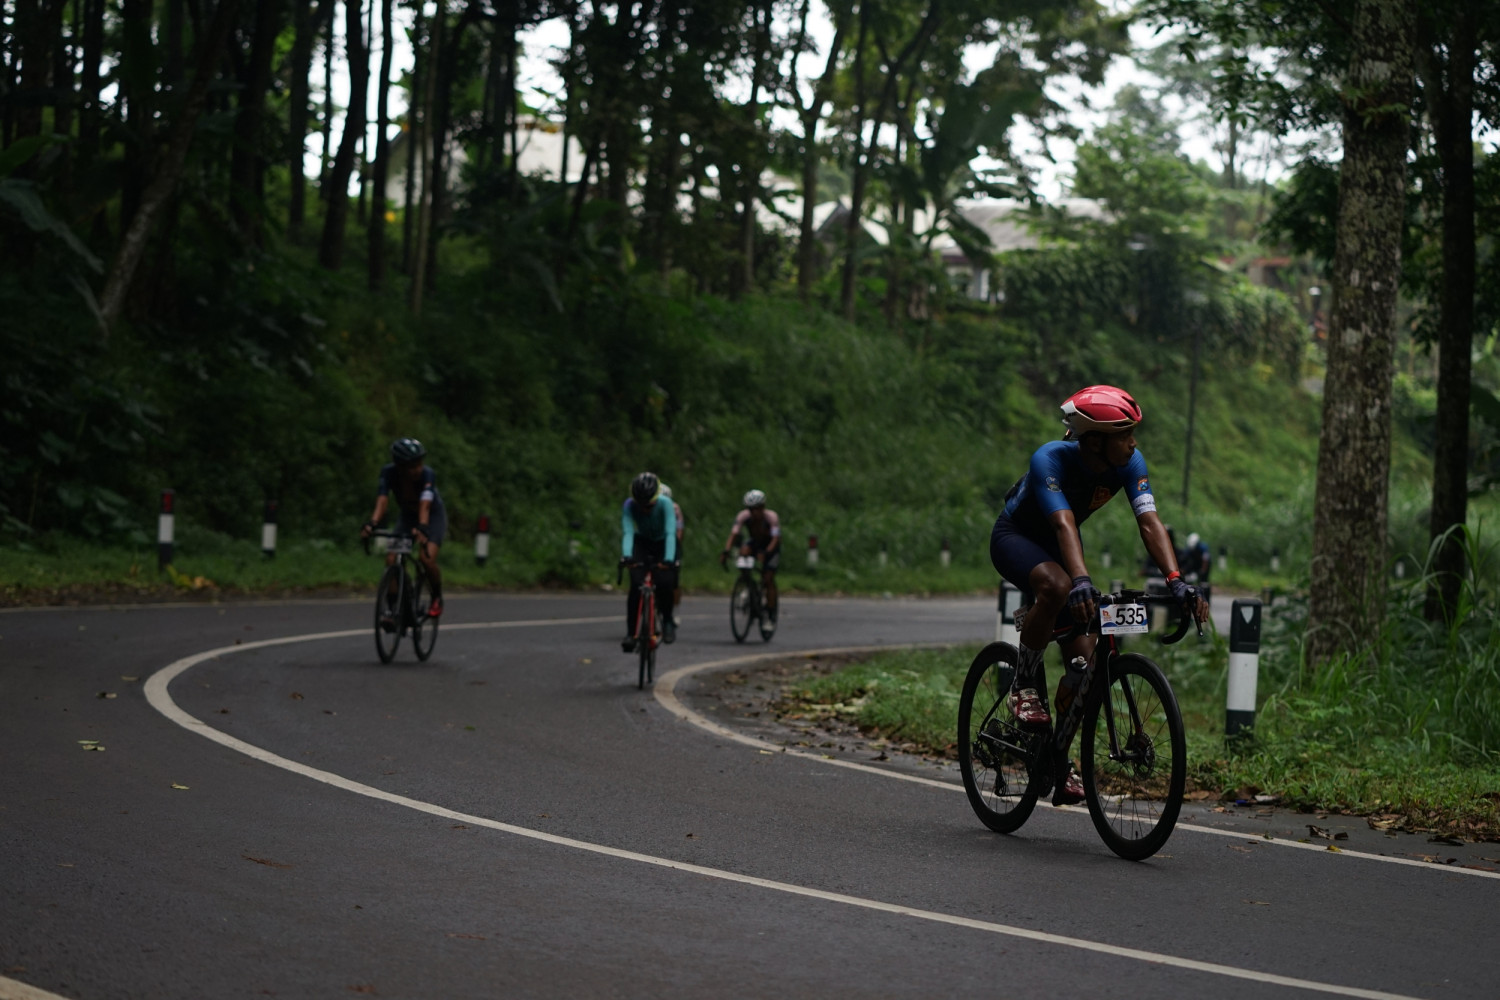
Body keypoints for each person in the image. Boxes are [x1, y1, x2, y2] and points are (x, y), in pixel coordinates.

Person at [989, 385, 1207, 806]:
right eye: (1125, 435)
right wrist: (1081, 579)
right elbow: (1064, 524)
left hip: (1062, 548)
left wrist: (1176, 580)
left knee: (1084, 665)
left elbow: (1149, 522)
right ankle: (1023, 683)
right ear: (1094, 441)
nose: (1133, 443)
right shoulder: (1050, 458)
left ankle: (1057, 759)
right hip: (1017, 538)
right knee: (1059, 586)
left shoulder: (1129, 463)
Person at [361, 437, 446, 619]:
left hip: (432, 516)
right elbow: (382, 500)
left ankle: (437, 597)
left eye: (420, 463)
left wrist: (423, 526)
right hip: (407, 517)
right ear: (399, 466)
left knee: (426, 559)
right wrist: (372, 523)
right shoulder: (388, 473)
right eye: (412, 466)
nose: (418, 469)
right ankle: (393, 610)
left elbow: (425, 503)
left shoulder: (427, 474)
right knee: (391, 559)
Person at [620, 472, 678, 651]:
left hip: (663, 542)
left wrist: (668, 559)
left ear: (656, 499)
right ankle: (631, 634)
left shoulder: (666, 504)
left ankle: (667, 621)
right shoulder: (629, 505)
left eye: (649, 506)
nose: (645, 510)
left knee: (665, 583)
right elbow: (628, 532)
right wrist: (627, 556)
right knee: (636, 585)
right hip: (642, 542)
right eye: (641, 505)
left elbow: (670, 533)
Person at [719, 489, 781, 624]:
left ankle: (770, 613)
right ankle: (747, 584)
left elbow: (775, 538)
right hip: (755, 542)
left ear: (763, 507)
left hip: (770, 545)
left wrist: (766, 553)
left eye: (758, 509)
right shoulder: (743, 516)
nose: (755, 512)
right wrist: (726, 550)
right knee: (744, 550)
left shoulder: (771, 517)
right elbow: (734, 534)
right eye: (751, 509)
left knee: (768, 578)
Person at [661, 484, 685, 626]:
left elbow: (679, 530)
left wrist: (675, 546)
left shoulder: (675, 509)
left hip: (671, 542)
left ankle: (674, 609)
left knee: (673, 578)